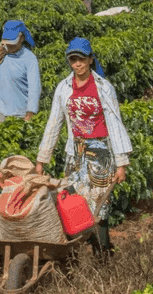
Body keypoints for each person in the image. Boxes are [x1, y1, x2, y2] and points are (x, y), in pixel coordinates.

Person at [35, 37, 132, 254]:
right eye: (73, 60)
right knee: (73, 198)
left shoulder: (103, 87)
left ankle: (102, 252)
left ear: (90, 59)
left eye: (81, 59)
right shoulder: (64, 88)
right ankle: (78, 249)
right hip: (76, 152)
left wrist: (121, 163)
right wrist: (42, 159)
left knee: (99, 202)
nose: (77, 64)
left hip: (100, 152)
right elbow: (54, 123)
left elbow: (115, 124)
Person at [0, 19, 41, 124]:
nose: (9, 46)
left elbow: (34, 89)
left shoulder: (29, 59)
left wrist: (30, 113)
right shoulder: (0, 53)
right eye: (7, 43)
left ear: (21, 38)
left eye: (12, 43)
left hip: (19, 113)